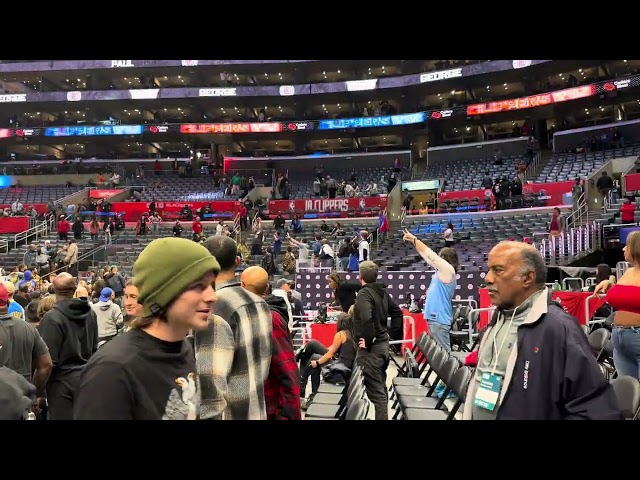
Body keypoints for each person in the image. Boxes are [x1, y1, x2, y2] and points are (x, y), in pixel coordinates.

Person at [463, 241, 622, 420]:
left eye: (498, 270)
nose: (488, 278)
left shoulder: (559, 329)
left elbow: (596, 410)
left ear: (528, 278)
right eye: (489, 269)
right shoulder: (498, 319)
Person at [74, 238, 221, 420]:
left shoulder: (183, 349)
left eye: (211, 286)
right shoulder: (112, 370)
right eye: (199, 286)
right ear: (163, 292)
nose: (212, 296)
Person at [195, 235, 272, 420]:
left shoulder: (213, 307)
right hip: (257, 412)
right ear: (237, 261)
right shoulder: (260, 303)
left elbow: (210, 385)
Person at [240, 266, 301, 420]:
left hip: (273, 410)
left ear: (242, 286)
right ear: (267, 288)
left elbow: (287, 370)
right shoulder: (254, 315)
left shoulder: (269, 319)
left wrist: (287, 415)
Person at [352, 260, 403, 420]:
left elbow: (367, 318)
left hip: (372, 350)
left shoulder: (364, 293)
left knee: (378, 394)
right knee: (379, 388)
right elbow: (397, 313)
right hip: (382, 346)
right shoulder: (381, 292)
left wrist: (368, 340)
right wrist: (390, 334)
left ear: (360, 276)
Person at [402, 229, 458, 353]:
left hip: (439, 320)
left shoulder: (448, 270)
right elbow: (427, 257)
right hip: (435, 320)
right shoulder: (442, 272)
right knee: (439, 356)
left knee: (444, 357)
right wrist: (414, 242)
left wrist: (415, 239)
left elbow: (431, 255)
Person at [595, 231, 640, 377]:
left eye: (627, 245)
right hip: (619, 337)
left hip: (637, 335)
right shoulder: (628, 271)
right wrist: (610, 282)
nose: (623, 249)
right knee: (627, 391)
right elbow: (627, 294)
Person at [298, 308, 357, 407]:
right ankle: (307, 388)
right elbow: (332, 350)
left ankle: (304, 384)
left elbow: (330, 354)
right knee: (313, 355)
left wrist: (317, 362)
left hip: (341, 367)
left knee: (314, 358)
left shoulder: (341, 334)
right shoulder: (350, 334)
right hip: (344, 364)